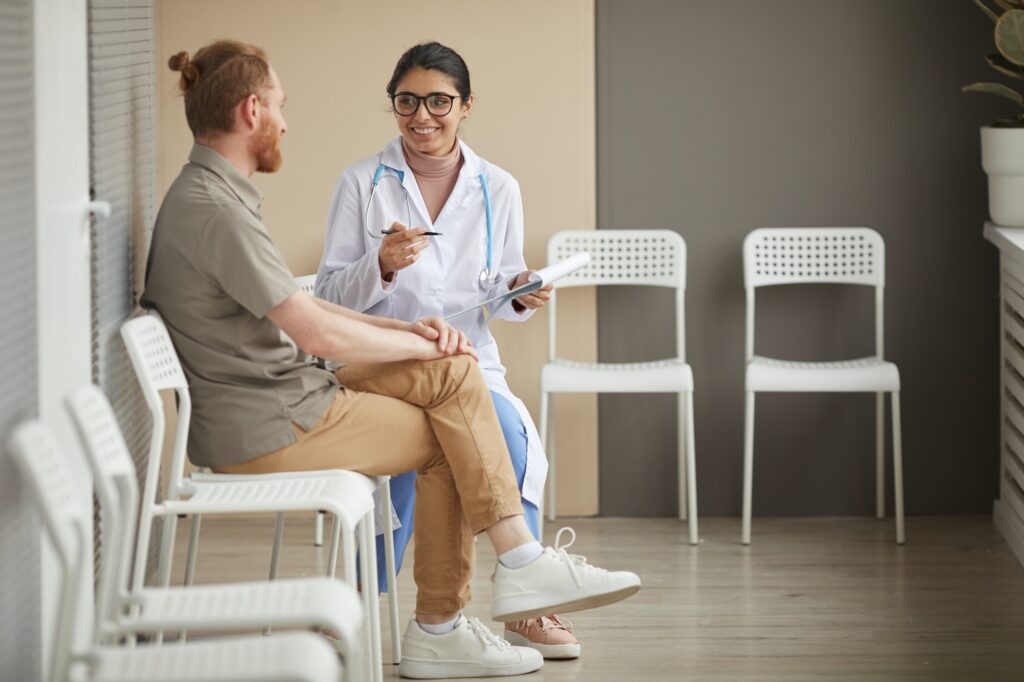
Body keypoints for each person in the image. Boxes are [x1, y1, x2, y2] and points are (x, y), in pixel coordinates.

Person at [141, 39, 640, 680]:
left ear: (464, 107)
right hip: (274, 411)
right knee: (452, 423)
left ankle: (490, 591)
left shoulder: (218, 197)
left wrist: (469, 320)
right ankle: (472, 600)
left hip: (286, 391)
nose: (287, 121)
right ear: (250, 113)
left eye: (438, 101)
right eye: (280, 106)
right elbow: (317, 321)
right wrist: (416, 328)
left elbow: (305, 312)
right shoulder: (221, 208)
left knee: (462, 399)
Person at [315, 41, 576, 659]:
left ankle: (526, 608)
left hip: (466, 360)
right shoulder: (360, 182)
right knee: (412, 441)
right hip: (378, 360)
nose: (421, 115)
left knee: (510, 436)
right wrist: (378, 263)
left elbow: (499, 290)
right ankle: (353, 599)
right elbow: (326, 294)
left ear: (466, 106)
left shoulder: (499, 187)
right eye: (407, 101)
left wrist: (520, 292)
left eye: (439, 101)